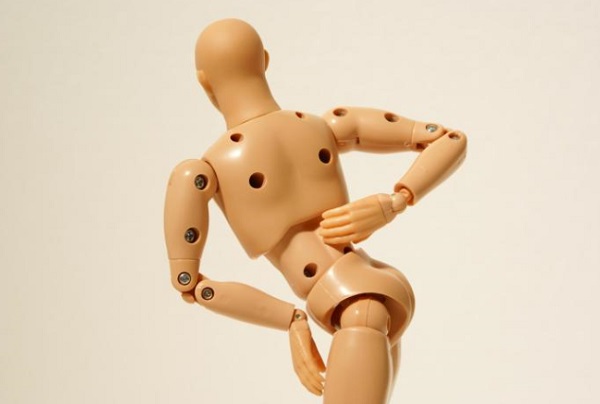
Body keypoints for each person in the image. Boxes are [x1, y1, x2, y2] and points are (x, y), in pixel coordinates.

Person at [164, 18, 466, 404]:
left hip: (356, 307)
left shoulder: (202, 172)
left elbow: (190, 285)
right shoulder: (325, 126)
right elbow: (449, 139)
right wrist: (394, 202)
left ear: (204, 81)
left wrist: (289, 319)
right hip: (370, 294)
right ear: (265, 61)